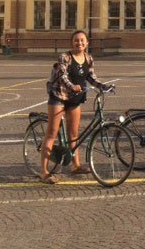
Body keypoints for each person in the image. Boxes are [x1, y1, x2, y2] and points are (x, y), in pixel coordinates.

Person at [39, 30, 113, 184]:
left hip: (75, 99)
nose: (79, 43)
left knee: (74, 134)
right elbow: (62, 75)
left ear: (87, 43)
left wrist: (104, 86)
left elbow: (91, 77)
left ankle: (76, 165)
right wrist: (72, 86)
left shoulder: (88, 58)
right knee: (52, 134)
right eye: (76, 41)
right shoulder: (65, 57)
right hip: (58, 96)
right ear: (71, 43)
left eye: (82, 40)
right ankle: (44, 172)